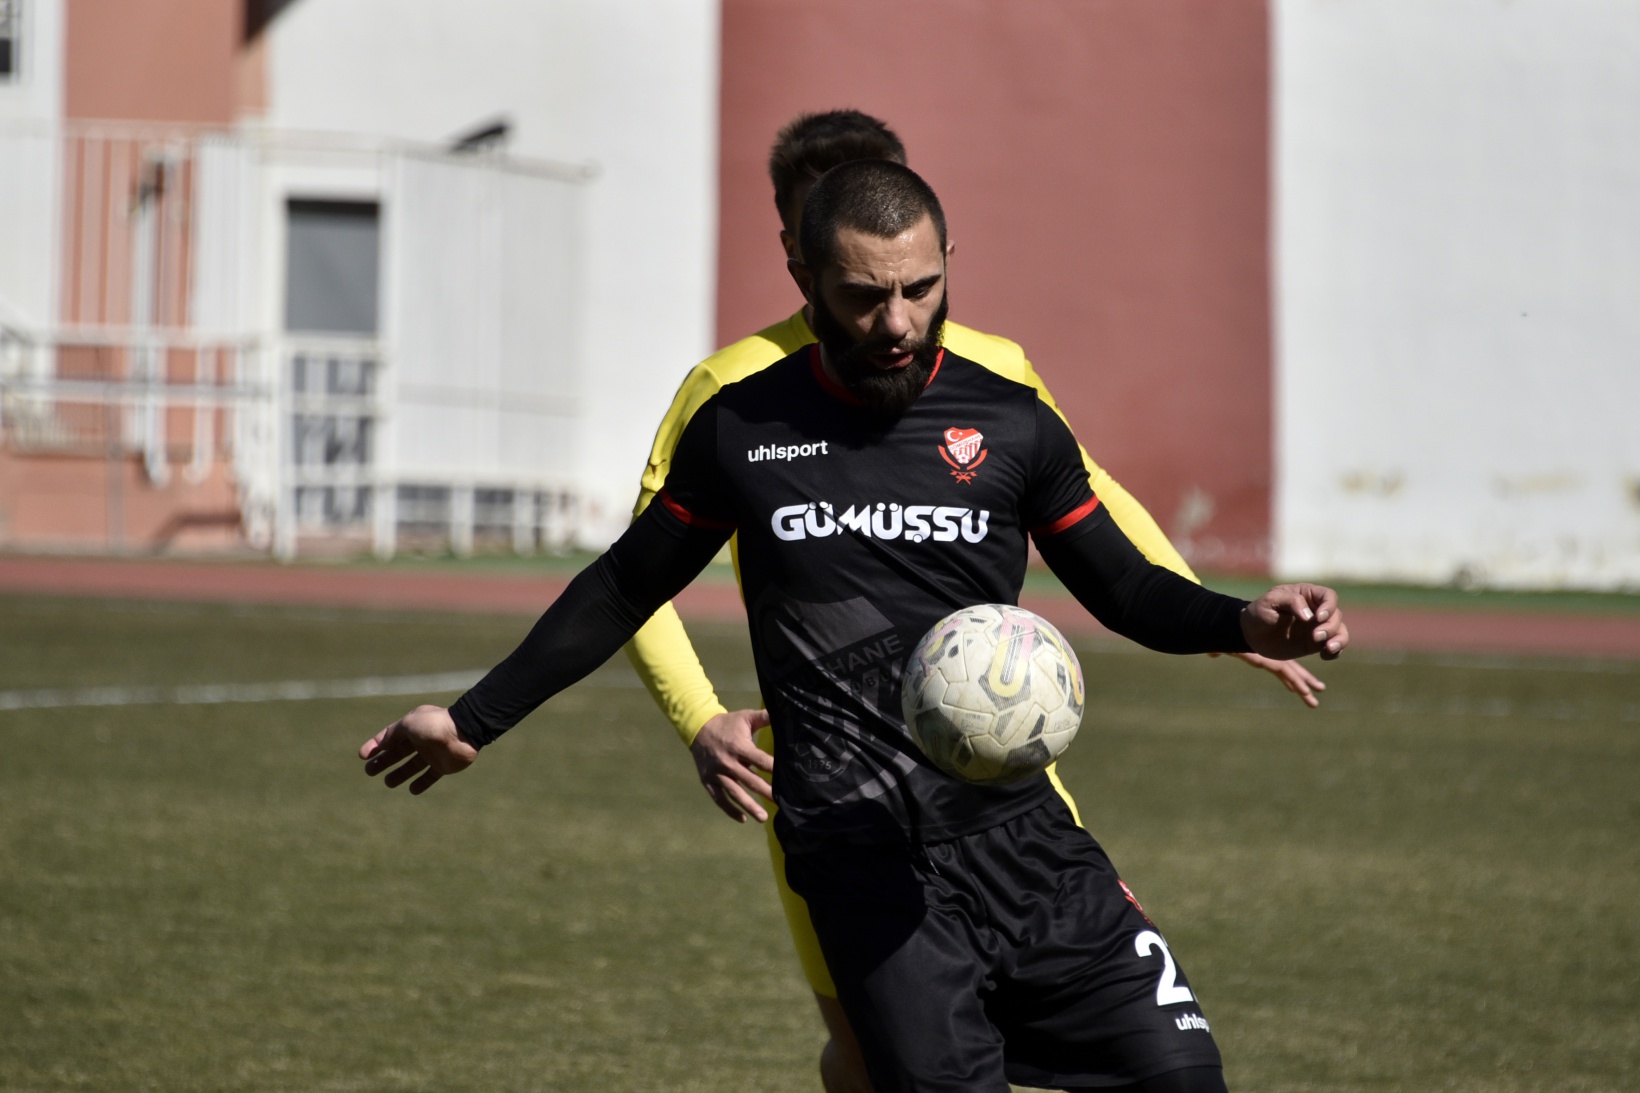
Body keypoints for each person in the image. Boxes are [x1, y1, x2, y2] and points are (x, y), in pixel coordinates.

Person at [361, 160, 1349, 1093]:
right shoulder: (742, 426)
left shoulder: (1012, 422)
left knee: (1180, 1073)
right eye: (864, 296)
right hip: (860, 852)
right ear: (805, 279)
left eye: (920, 288)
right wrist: (473, 719)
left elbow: (1125, 588)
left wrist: (1245, 620)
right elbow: (623, 586)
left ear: (948, 262)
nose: (897, 322)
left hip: (1024, 837)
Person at [624, 110, 1325, 1092]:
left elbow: (1094, 497)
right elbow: (633, 576)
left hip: (996, 775)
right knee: (871, 1054)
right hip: (844, 797)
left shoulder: (990, 369)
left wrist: (1215, 614)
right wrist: (698, 716)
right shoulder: (732, 391)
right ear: (798, 249)